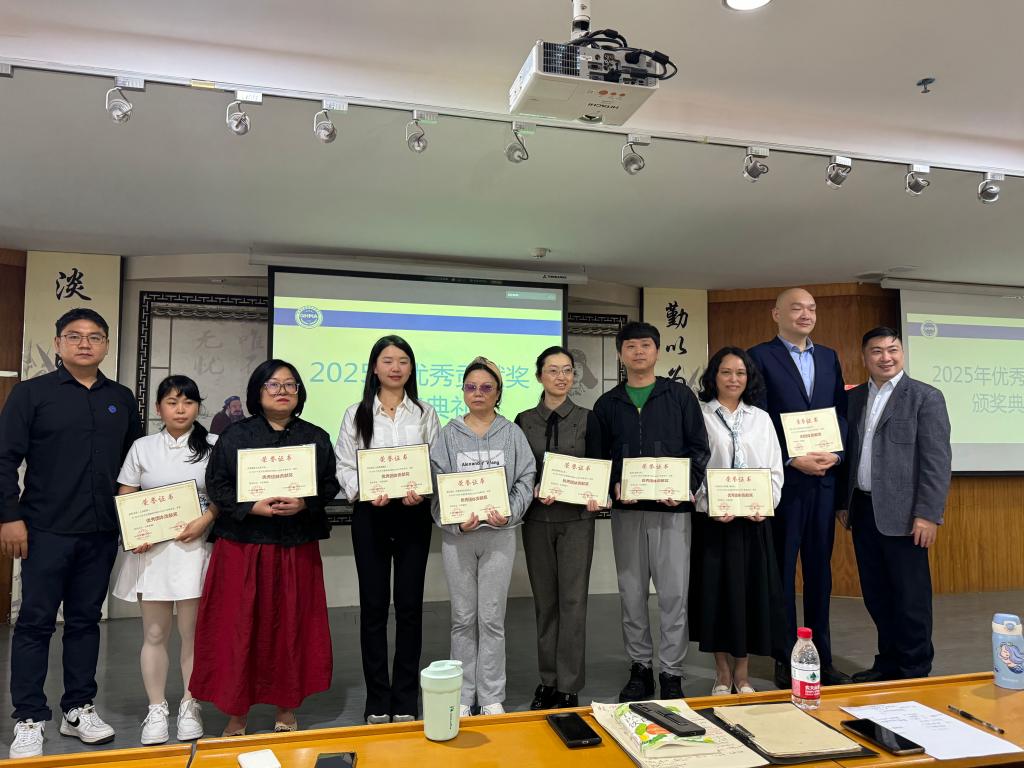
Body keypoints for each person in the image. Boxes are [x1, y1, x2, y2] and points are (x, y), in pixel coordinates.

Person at [0, 308, 142, 759]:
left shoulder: (121, 398)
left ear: (106, 345)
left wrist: (138, 521)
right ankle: (29, 716)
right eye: (75, 336)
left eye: (95, 337)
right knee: (35, 623)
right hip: (44, 529)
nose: (85, 343)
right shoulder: (31, 394)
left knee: (85, 622)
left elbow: (134, 466)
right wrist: (9, 517)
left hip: (101, 531)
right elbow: (4, 458)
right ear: (58, 343)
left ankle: (78, 708)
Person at [190, 359, 340, 736]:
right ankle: (236, 713)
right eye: (273, 385)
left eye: (290, 385)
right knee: (239, 629)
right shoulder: (235, 435)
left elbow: (329, 484)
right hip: (243, 547)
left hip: (295, 547)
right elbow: (217, 484)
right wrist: (250, 506)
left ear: (300, 393)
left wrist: (305, 502)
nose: (282, 391)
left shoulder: (316, 436)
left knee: (292, 628)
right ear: (257, 392)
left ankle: (286, 708)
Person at [592, 321, 711, 702]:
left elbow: (699, 448)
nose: (639, 352)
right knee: (631, 593)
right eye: (631, 346)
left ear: (657, 352)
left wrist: (686, 487)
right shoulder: (608, 403)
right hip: (627, 513)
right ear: (620, 354)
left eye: (646, 345)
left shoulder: (679, 396)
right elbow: (598, 457)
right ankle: (640, 667)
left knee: (674, 595)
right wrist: (612, 483)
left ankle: (672, 671)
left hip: (672, 513)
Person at [748, 287, 851, 688]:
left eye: (811, 308)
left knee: (820, 573)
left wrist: (835, 455)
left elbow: (840, 413)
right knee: (782, 572)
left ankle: (822, 657)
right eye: (796, 308)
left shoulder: (827, 356)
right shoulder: (759, 356)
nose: (805, 314)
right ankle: (785, 656)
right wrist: (792, 458)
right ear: (776, 314)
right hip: (785, 482)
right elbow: (759, 419)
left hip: (824, 481)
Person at [335, 336, 441, 725]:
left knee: (410, 608)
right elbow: (344, 465)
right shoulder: (356, 413)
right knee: (374, 608)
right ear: (374, 368)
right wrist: (365, 490)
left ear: (411, 369)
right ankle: (378, 698)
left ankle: (406, 698)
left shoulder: (425, 413)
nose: (396, 367)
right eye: (388, 360)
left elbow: (435, 461)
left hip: (413, 515)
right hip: (371, 516)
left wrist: (423, 489)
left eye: (403, 361)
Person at [837, 327, 951, 682]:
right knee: (877, 595)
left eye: (892, 350)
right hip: (863, 511)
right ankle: (887, 663)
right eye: (877, 351)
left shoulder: (925, 397)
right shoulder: (855, 398)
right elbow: (850, 454)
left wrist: (927, 514)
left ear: (902, 353)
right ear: (864, 357)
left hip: (906, 517)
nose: (885, 357)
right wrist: (844, 502)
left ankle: (915, 669)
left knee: (910, 599)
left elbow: (936, 462)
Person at [113, 375, 219, 745]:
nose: (180, 409)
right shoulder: (142, 447)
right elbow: (127, 493)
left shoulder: (214, 446)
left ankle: (191, 703)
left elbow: (224, 494)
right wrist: (133, 534)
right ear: (158, 408)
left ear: (198, 407)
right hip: (152, 553)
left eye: (188, 402)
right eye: (172, 402)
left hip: (196, 550)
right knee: (155, 633)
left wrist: (204, 520)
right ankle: (156, 708)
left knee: (193, 634)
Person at [430, 357, 536, 717]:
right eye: (471, 387)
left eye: (486, 387)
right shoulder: (447, 435)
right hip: (459, 537)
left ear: (498, 392)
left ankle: (491, 695)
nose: (478, 393)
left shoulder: (512, 433)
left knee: (491, 618)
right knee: (462, 617)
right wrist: (456, 523)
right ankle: (463, 695)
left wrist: (510, 512)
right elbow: (436, 486)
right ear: (463, 391)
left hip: (499, 537)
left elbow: (526, 478)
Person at [689, 348, 786, 695]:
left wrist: (766, 504)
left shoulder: (761, 419)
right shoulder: (700, 415)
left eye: (740, 373)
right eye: (726, 372)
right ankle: (721, 672)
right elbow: (694, 467)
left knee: (750, 596)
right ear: (713, 376)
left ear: (749, 378)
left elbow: (774, 469)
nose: (733, 379)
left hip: (753, 522)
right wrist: (708, 504)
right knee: (715, 596)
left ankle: (743, 673)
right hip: (714, 522)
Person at [515, 346, 603, 710]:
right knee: (545, 603)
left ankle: (569, 684)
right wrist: (531, 487)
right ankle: (547, 680)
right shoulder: (522, 420)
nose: (561, 377)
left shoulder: (588, 418)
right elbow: (518, 469)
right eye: (553, 370)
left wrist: (597, 493)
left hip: (577, 521)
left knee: (573, 602)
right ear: (539, 376)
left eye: (567, 370)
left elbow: (599, 466)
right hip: (537, 521)